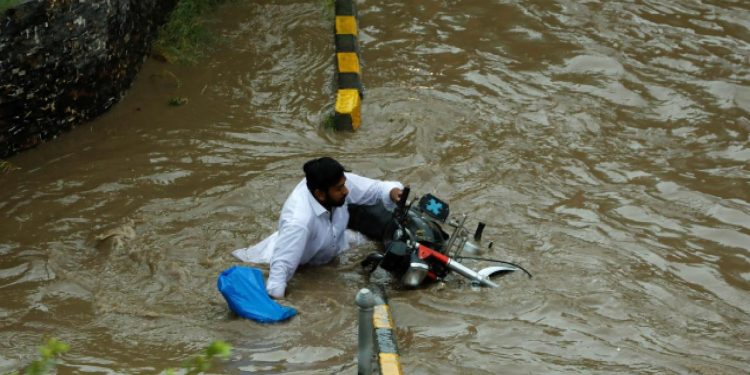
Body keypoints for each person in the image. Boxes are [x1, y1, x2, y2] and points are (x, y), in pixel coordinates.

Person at [232, 157, 403, 299]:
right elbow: (279, 275)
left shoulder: (335, 184)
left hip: (334, 246)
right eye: (339, 189)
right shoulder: (298, 221)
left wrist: (393, 192)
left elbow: (377, 188)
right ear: (320, 194)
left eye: (344, 184)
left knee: (372, 243)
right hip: (289, 260)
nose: (346, 191)